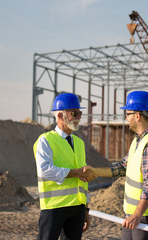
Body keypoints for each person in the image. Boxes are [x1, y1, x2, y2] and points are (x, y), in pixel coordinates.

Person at [88, 91, 148, 240]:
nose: (126, 118)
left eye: (127, 113)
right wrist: (95, 171)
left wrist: (138, 214)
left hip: (146, 215)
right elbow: (123, 167)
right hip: (135, 214)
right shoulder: (138, 140)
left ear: (137, 116)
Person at [33, 93, 95, 240]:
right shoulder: (45, 141)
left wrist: (86, 208)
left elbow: (82, 178)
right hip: (54, 208)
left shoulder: (79, 143)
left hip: (77, 209)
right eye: (74, 113)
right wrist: (74, 172)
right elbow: (44, 170)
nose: (78, 116)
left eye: (80, 113)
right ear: (60, 116)